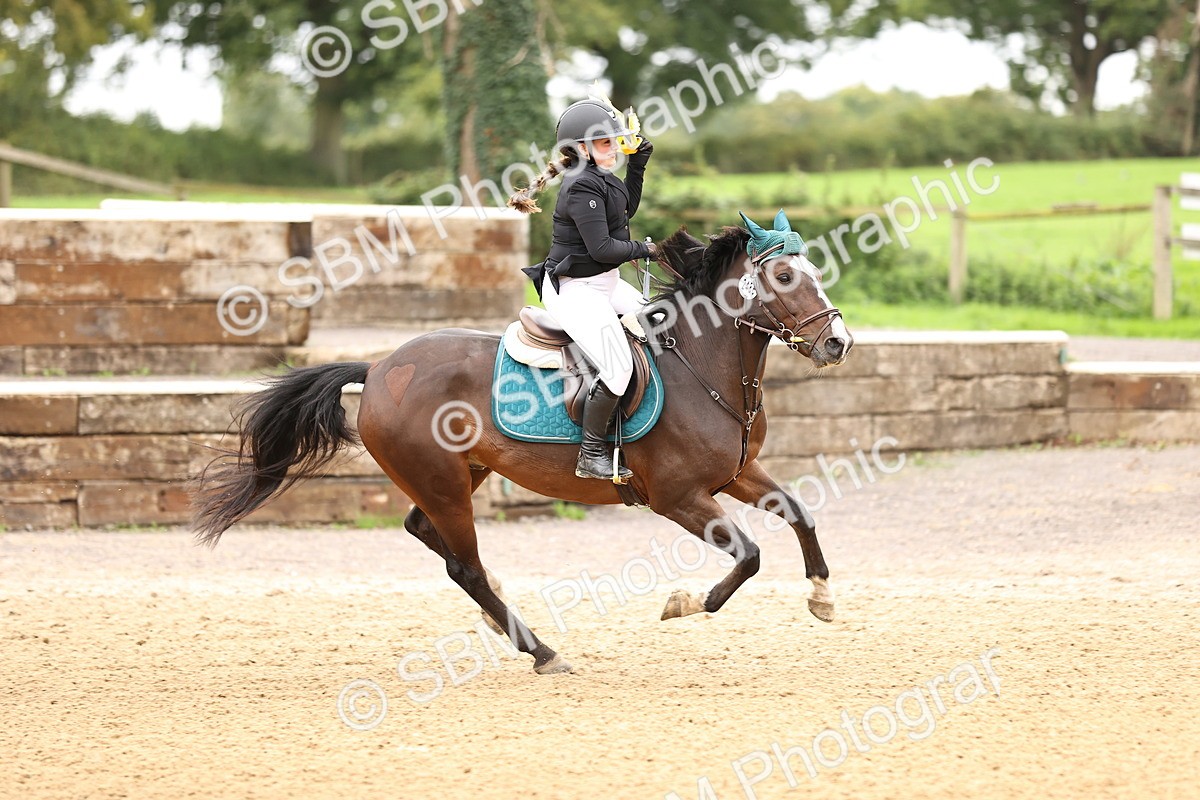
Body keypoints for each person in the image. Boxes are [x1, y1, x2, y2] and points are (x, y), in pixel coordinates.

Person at [508, 98, 659, 481]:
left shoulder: (601, 179)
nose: (615, 150)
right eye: (606, 143)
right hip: (575, 291)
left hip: (604, 284)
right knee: (619, 366)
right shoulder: (579, 188)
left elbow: (624, 212)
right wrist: (647, 249)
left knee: (661, 320)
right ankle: (590, 455)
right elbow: (603, 249)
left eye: (614, 142)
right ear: (583, 149)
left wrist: (638, 166)